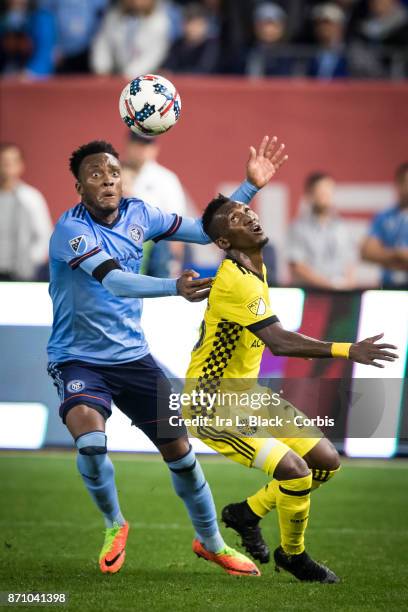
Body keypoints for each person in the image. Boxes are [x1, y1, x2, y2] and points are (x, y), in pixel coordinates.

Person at [46, 135, 283, 576]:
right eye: (95, 175)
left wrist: (249, 188)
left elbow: (203, 230)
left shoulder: (140, 213)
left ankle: (211, 543)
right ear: (79, 187)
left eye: (113, 172)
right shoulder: (71, 231)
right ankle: (114, 524)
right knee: (92, 443)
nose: (108, 180)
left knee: (182, 457)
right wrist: (172, 288)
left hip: (133, 358)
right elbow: (114, 281)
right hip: (77, 358)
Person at [181, 192, 398, 583]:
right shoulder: (236, 281)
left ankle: (246, 513)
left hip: (248, 394)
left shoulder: (253, 267)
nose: (249, 216)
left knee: (327, 463)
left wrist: (250, 184)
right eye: (236, 218)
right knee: (296, 472)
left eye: (247, 209)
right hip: (210, 403)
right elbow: (279, 342)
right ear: (224, 244)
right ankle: (293, 556)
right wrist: (349, 349)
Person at [125, 132, 187, 277]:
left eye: (146, 145)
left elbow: (178, 224)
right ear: (129, 145)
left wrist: (174, 261)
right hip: (122, 248)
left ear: (155, 148)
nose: (142, 150)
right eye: (138, 144)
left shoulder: (166, 179)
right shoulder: (113, 174)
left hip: (157, 251)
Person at [287, 171, 356, 289]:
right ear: (310, 195)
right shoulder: (298, 228)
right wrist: (327, 286)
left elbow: (349, 263)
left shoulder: (342, 227)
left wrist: (347, 286)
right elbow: (296, 265)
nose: (326, 195)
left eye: (329, 191)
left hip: (341, 295)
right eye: (321, 191)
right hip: (312, 294)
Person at [0, 142, 53, 280]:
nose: (7, 166)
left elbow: (45, 236)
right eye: (3, 161)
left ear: (21, 165)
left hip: (20, 274)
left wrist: (29, 260)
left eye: (12, 161)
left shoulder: (31, 197)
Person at [91, 0, 171, 78]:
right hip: (114, 76)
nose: (135, 1)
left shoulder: (160, 22)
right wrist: (102, 69)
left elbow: (152, 56)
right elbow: (103, 45)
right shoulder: (113, 17)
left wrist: (128, 75)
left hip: (145, 78)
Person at [361, 162, 408, 288]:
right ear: (398, 184)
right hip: (389, 286)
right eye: (405, 182)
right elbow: (367, 252)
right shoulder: (384, 216)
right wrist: (397, 254)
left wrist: (386, 256)